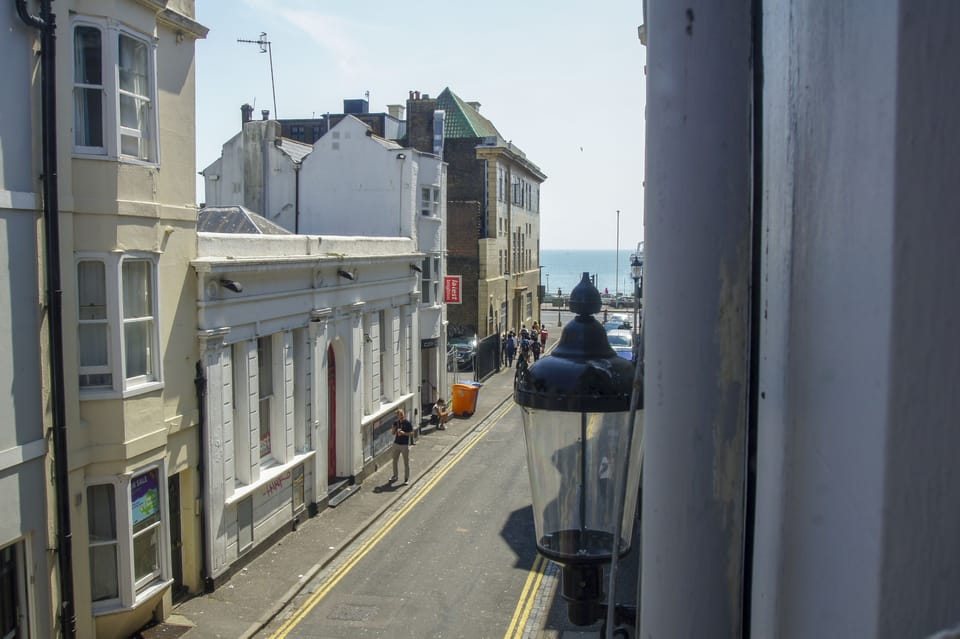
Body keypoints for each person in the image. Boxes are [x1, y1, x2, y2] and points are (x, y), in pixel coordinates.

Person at [390, 408, 414, 485]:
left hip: (404, 445)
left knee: (406, 462)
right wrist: (393, 429)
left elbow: (412, 433)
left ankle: (406, 479)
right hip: (396, 444)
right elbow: (393, 433)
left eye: (402, 414)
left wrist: (404, 433)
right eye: (400, 415)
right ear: (397, 416)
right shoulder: (396, 423)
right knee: (394, 461)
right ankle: (395, 476)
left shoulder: (407, 423)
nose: (401, 416)